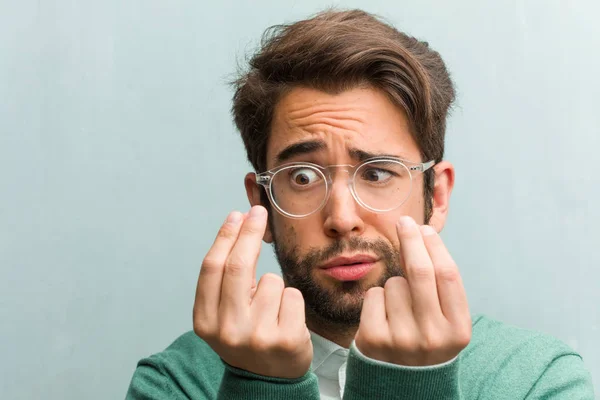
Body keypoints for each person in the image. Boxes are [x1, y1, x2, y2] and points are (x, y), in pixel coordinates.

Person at [126, 9, 595, 399]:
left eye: (376, 173)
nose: (343, 219)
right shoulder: (177, 384)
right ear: (262, 203)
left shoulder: (538, 380)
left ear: (436, 194)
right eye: (303, 177)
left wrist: (409, 385)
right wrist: (260, 385)